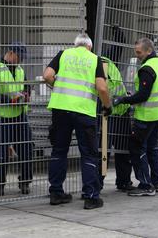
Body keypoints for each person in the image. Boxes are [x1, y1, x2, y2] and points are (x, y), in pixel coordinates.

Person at [43, 33, 111, 210]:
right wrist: (107, 105)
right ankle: (91, 197)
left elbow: (47, 75)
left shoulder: (63, 54)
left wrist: (57, 87)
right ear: (89, 46)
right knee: (88, 153)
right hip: (83, 111)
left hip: (60, 109)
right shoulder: (94, 59)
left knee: (59, 151)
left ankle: (56, 193)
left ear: (76, 45)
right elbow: (102, 88)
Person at [112, 37, 158, 196]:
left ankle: (146, 185)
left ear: (148, 51)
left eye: (139, 52)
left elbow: (143, 96)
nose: (137, 55)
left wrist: (123, 99)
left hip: (147, 115)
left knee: (137, 148)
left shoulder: (147, 69)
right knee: (152, 147)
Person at [0, 42, 33, 196]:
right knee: (1, 153)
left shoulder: (19, 69)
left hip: (19, 116)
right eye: (19, 57)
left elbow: (26, 86)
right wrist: (10, 100)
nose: (21, 61)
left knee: (26, 149)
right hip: (0, 117)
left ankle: (25, 182)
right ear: (11, 53)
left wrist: (26, 95)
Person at [99, 56, 133, 192]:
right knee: (102, 151)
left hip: (121, 111)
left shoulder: (106, 61)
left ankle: (124, 181)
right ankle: (97, 183)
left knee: (124, 149)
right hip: (107, 113)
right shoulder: (97, 64)